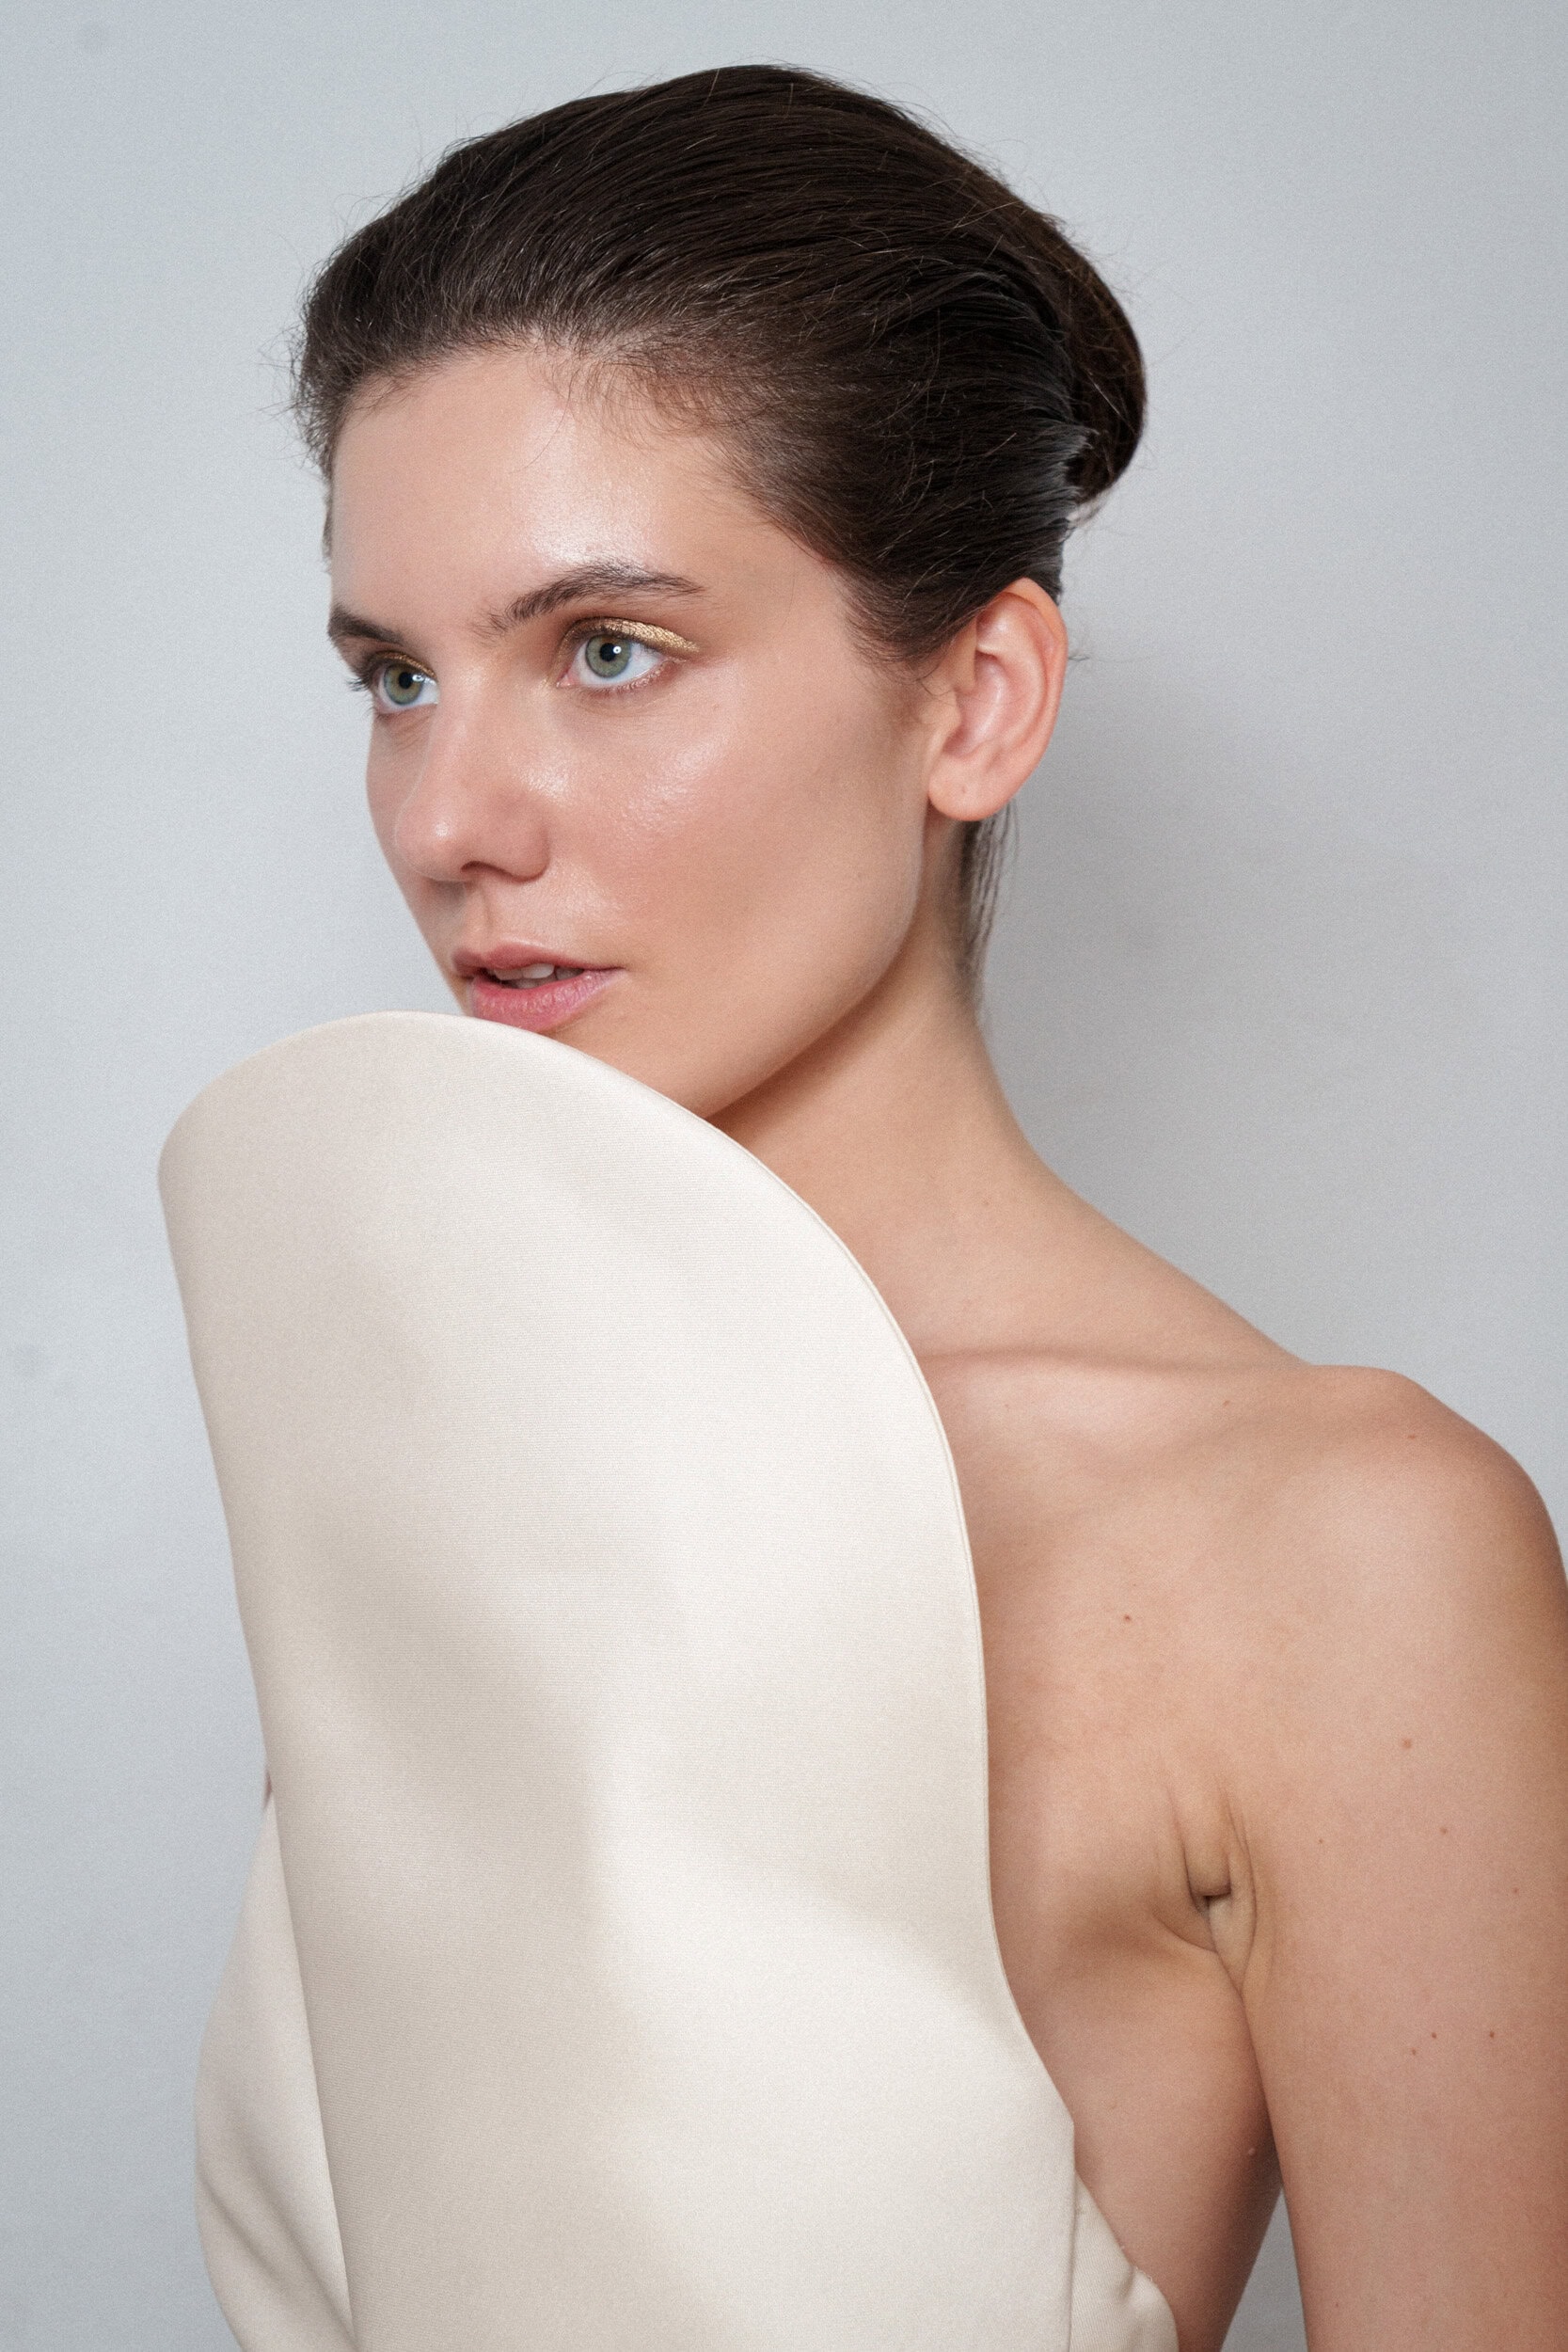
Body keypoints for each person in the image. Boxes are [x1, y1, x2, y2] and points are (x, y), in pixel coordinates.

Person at [164, 63, 1568, 2352]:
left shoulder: (1334, 1551)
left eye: (606, 649)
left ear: (976, 701)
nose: (448, 818)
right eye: (397, 677)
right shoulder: (435, 1465)